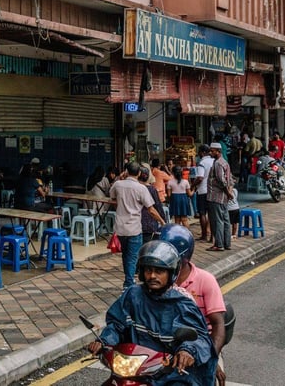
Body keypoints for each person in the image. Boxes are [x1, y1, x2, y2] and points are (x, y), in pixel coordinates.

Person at [87, 241, 217, 386]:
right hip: (136, 371)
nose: (153, 276)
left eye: (159, 271)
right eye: (148, 270)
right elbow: (117, 324)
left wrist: (187, 351)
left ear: (171, 273)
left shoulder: (182, 303)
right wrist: (103, 341)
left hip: (171, 373)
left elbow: (199, 337)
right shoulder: (132, 295)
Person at [159, 225, 228, 386]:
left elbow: (218, 324)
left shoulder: (206, 280)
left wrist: (211, 358)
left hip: (203, 345)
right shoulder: (157, 280)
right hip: (165, 344)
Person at [111, 162, 167, 288]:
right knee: (132, 256)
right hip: (134, 228)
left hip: (120, 228)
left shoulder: (118, 184)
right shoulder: (141, 188)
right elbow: (151, 209)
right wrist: (162, 222)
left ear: (126, 171)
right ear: (140, 173)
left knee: (126, 254)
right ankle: (129, 283)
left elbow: (112, 196)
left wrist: (121, 178)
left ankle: (128, 279)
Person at [206, 143, 234, 252]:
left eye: (212, 151)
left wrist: (227, 192)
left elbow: (221, 181)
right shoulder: (225, 162)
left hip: (216, 197)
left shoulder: (218, 163)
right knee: (225, 220)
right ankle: (227, 243)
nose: (210, 153)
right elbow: (230, 180)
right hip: (223, 198)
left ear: (218, 151)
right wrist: (229, 193)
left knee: (217, 221)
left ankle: (219, 244)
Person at [195, 145, 214, 243]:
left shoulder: (202, 163)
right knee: (211, 213)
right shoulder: (213, 161)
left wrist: (192, 185)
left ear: (202, 152)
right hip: (212, 190)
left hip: (202, 190)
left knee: (202, 213)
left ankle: (204, 235)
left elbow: (200, 178)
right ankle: (211, 235)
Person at [139, 166, 163, 242]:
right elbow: (158, 206)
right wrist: (162, 220)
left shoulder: (135, 188)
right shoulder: (152, 189)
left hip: (137, 222)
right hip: (149, 222)